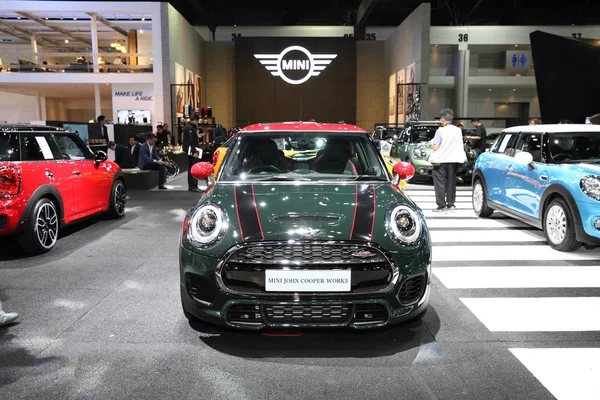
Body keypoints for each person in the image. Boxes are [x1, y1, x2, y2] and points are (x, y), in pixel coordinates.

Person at [429, 108, 467, 213]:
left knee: (440, 183)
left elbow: (436, 147)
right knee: (451, 182)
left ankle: (441, 206)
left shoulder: (440, 131)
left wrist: (432, 143)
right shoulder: (458, 130)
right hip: (454, 160)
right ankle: (451, 204)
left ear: (442, 119)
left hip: (441, 160)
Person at [182, 114, 204, 192]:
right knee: (194, 167)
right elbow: (191, 141)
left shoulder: (189, 127)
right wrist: (194, 151)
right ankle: (193, 186)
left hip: (190, 149)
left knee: (191, 168)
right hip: (191, 150)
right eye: (197, 121)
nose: (197, 123)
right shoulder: (189, 127)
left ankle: (191, 186)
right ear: (194, 120)